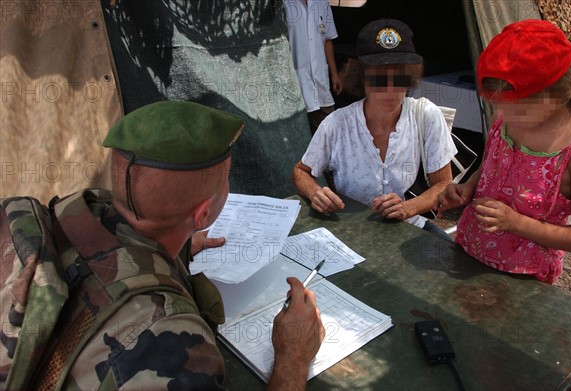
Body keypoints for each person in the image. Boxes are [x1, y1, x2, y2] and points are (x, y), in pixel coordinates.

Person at [0, 101, 324, 390]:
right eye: (226, 178)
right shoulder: (163, 341)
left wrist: (178, 243)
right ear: (204, 213)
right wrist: (293, 357)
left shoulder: (68, 214)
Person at [435, 20, 571, 284]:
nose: (504, 115)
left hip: (523, 278)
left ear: (556, 95)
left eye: (518, 108)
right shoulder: (506, 118)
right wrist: (468, 188)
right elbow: (491, 165)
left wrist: (515, 223)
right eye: (498, 105)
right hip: (468, 253)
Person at [292, 19, 457, 238]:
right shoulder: (337, 123)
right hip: (351, 230)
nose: (390, 90)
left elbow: (444, 182)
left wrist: (408, 208)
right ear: (362, 78)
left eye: (399, 79)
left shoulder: (426, 115)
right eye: (379, 80)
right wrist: (315, 193)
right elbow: (300, 171)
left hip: (408, 227)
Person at [285, 0, 343, 135]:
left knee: (328, 132)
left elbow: (328, 40)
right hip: (295, 79)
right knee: (298, 135)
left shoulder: (321, 3)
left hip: (320, 80)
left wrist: (334, 74)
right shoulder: (283, 4)